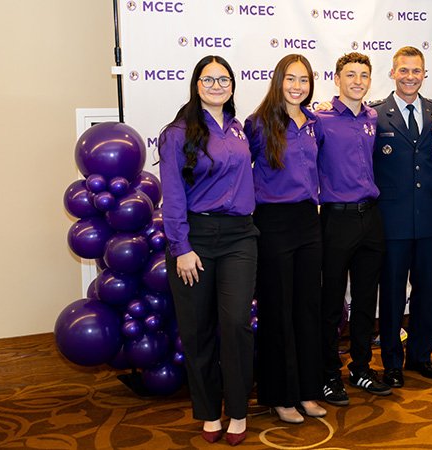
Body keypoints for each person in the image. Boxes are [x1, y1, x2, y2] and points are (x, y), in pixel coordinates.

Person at [160, 55, 257, 446]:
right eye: (209, 79)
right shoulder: (177, 133)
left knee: (235, 324)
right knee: (197, 330)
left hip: (240, 237)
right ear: (196, 85)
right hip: (194, 239)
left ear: (232, 85)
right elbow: (173, 195)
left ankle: (238, 410)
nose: (217, 85)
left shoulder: (239, 128)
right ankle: (208, 412)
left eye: (224, 79)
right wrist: (181, 247)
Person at [244, 54, 326, 424]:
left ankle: (308, 390)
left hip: (308, 220)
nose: (297, 86)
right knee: (278, 312)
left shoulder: (313, 123)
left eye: (303, 80)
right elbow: (238, 170)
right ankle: (280, 395)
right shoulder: (258, 123)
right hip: (273, 222)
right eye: (291, 78)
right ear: (278, 81)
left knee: (307, 309)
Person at [316, 52, 392, 407]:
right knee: (331, 302)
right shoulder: (319, 119)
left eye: (363, 75)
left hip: (370, 218)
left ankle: (361, 368)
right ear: (336, 79)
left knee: (365, 300)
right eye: (350, 74)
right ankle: (328, 374)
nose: (357, 81)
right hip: (336, 219)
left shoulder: (372, 117)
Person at [372, 46, 432, 387]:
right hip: (391, 220)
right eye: (403, 70)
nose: (410, 77)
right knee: (391, 294)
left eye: (416, 71)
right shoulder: (376, 115)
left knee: (426, 292)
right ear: (392, 73)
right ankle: (392, 362)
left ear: (424, 74)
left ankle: (421, 356)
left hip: (428, 217)